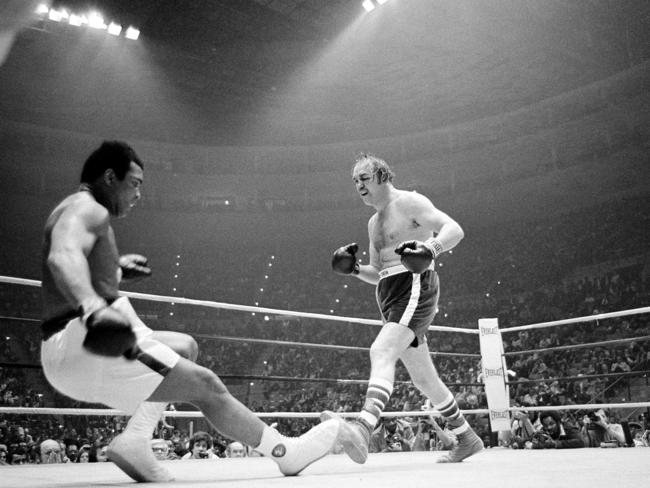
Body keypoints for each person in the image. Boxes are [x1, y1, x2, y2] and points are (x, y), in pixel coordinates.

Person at [39, 141, 340, 482]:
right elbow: (62, 255)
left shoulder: (76, 209)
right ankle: (286, 453)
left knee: (184, 347)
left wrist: (115, 270)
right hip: (84, 342)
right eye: (135, 183)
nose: (139, 194)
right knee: (206, 386)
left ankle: (135, 440)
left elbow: (75, 261)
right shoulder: (87, 208)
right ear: (110, 177)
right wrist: (93, 308)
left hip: (70, 346)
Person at [323, 153, 483, 463]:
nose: (358, 185)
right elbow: (376, 271)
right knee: (424, 379)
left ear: (382, 176)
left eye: (364, 178)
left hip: (414, 286)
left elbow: (454, 228)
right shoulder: (373, 222)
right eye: (354, 181)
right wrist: (354, 269)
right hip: (389, 294)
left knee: (381, 350)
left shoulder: (410, 202)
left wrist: (431, 247)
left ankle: (363, 427)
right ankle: (466, 436)